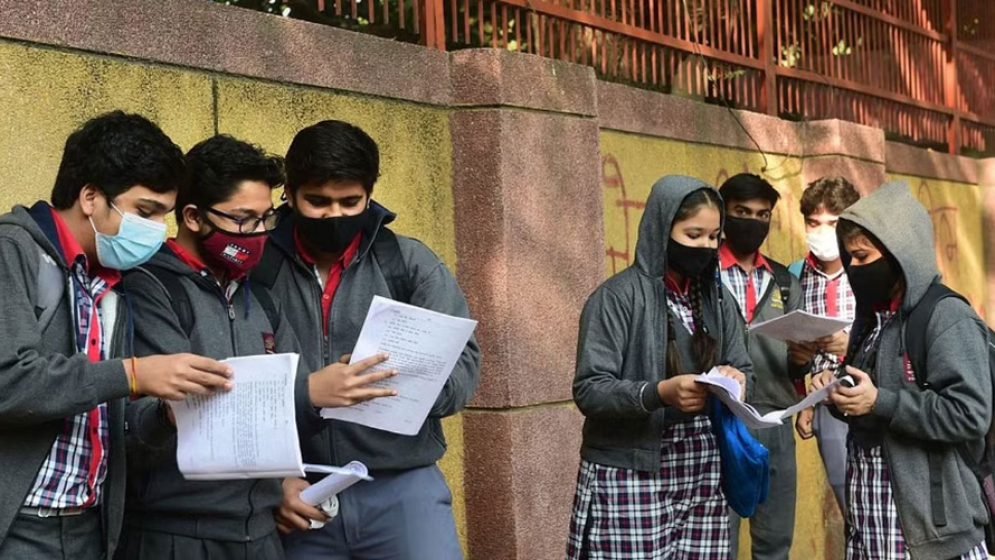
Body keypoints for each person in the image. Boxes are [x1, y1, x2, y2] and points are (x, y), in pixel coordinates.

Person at [116, 134, 399, 560]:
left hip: (260, 533)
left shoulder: (261, 299)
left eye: (267, 218)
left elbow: (287, 416)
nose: (260, 233)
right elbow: (173, 411)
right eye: (243, 220)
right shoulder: (150, 288)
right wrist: (309, 392)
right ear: (193, 217)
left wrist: (285, 479)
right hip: (176, 533)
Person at [0, 112, 234, 559]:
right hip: (19, 527)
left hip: (90, 527)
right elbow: (8, 382)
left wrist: (166, 416)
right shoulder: (12, 251)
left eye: (164, 215)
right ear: (90, 197)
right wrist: (131, 374)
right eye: (145, 211)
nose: (157, 231)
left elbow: (109, 426)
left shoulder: (113, 285)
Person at [254, 120, 480, 560]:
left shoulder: (410, 263)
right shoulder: (258, 268)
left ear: (370, 195)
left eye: (350, 201)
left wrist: (403, 384)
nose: (334, 215)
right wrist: (269, 484)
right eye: (318, 201)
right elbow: (230, 374)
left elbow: (463, 371)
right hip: (295, 492)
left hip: (403, 486)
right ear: (289, 194)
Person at [566, 175, 753, 559]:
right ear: (661, 230)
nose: (705, 246)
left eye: (713, 237)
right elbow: (590, 389)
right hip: (630, 471)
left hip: (703, 468)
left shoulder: (719, 299)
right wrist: (658, 393)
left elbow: (743, 364)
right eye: (693, 234)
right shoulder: (616, 298)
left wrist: (738, 378)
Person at [812, 180, 990, 560]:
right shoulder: (872, 319)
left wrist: (882, 401)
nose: (853, 268)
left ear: (899, 252)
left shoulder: (946, 317)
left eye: (863, 257)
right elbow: (868, 400)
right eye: (850, 258)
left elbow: (970, 414)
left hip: (932, 537)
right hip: (870, 524)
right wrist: (837, 392)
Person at [718, 173, 806, 560]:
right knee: (717, 543)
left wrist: (802, 360)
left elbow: (796, 366)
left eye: (762, 215)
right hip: (720, 422)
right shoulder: (703, 276)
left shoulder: (785, 281)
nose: (753, 222)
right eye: (742, 212)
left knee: (774, 543)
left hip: (775, 423)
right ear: (724, 214)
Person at [787, 177, 859, 515]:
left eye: (832, 223)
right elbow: (794, 352)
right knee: (848, 502)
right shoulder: (794, 275)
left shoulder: (865, 268)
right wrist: (806, 403)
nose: (822, 231)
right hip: (825, 405)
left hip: (871, 396)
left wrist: (849, 343)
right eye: (813, 223)